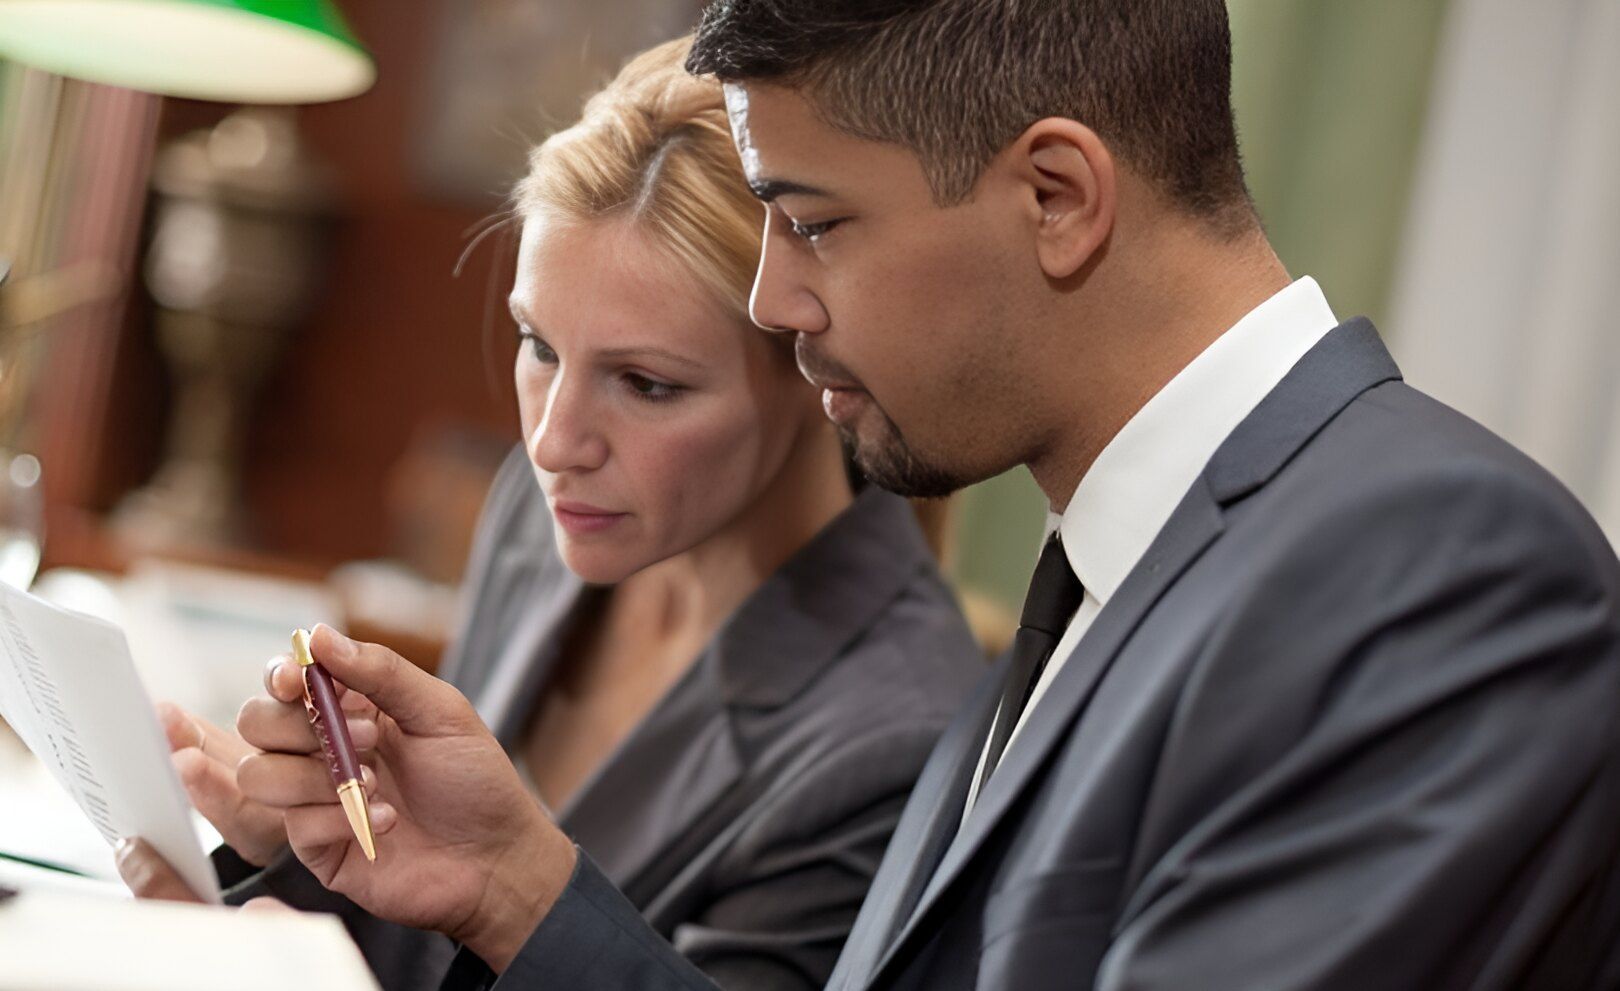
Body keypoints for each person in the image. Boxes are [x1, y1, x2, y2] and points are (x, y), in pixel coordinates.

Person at [130, 2, 1620, 988]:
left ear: (1058, 195)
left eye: (813, 223)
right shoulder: (1119, 560)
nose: (777, 301)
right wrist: (518, 885)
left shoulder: (1439, 561)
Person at [121, 36, 983, 991]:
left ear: (815, 366)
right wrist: (280, 871)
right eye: (539, 344)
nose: (553, 442)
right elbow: (441, 945)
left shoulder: (894, 740)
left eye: (646, 383)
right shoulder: (546, 521)